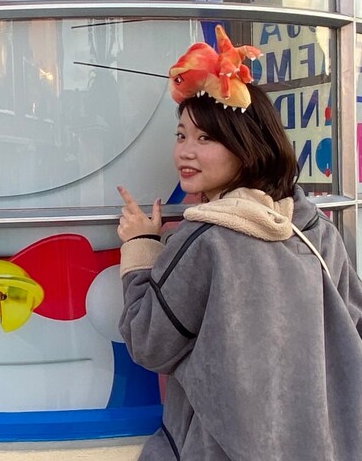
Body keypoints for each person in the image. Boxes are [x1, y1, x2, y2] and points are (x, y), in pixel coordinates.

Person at [117, 36, 362, 461]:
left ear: (247, 148)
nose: (185, 152)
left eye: (206, 139)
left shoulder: (205, 241)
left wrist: (141, 247)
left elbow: (149, 342)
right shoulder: (314, 229)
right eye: (181, 135)